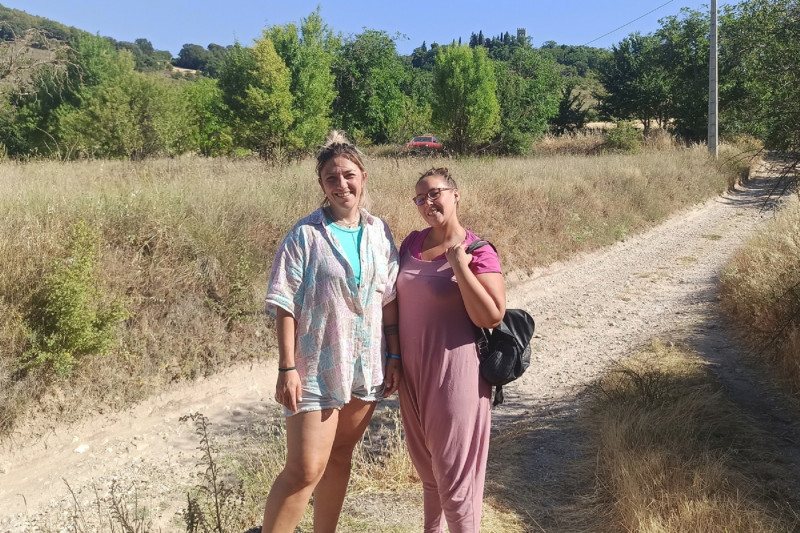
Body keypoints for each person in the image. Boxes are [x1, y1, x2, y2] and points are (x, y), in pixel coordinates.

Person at [261, 131, 401, 533]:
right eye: (332, 178)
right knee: (304, 470)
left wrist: (394, 355)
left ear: (364, 177)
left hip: (365, 364)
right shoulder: (304, 236)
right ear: (321, 185)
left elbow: (388, 298)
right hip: (315, 367)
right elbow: (284, 303)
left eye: (349, 175)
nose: (342, 184)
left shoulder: (379, 232)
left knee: (340, 457)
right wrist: (287, 367)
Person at [397, 167, 506, 532]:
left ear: (455, 195)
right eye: (419, 198)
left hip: (455, 377)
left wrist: (461, 266)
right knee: (429, 475)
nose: (427, 203)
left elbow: (491, 316)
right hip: (412, 375)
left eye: (434, 193)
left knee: (457, 484)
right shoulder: (410, 243)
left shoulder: (478, 250)